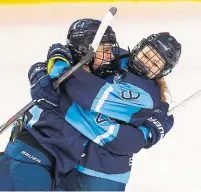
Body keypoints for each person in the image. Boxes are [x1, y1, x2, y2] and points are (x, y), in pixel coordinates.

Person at [0, 19, 180, 191]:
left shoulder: (145, 96)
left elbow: (88, 97)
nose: (146, 62)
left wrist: (145, 134)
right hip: (58, 158)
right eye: (147, 54)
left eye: (155, 63)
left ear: (162, 71)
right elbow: (75, 55)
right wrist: (43, 66)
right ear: (140, 47)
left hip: (101, 175)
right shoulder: (116, 60)